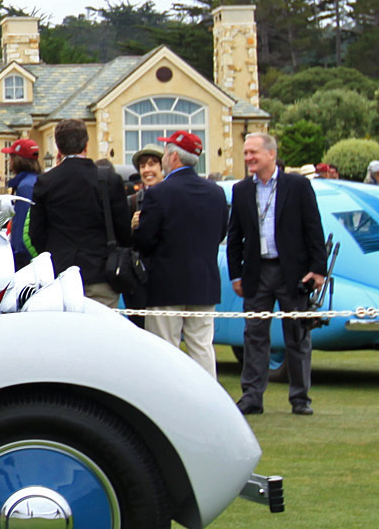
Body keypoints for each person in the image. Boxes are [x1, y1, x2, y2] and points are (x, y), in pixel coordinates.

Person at [228, 132, 328, 416]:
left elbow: (313, 228)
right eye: (246, 153)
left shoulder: (297, 186)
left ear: (271, 154)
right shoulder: (241, 190)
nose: (248, 158)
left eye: (253, 153)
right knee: (254, 336)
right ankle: (252, 397)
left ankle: (300, 398)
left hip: (292, 272)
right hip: (257, 273)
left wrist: (317, 269)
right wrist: (236, 275)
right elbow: (234, 237)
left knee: (297, 335)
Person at [131, 132, 229, 376]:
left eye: (165, 154)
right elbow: (220, 234)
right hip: (203, 281)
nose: (164, 157)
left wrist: (136, 228)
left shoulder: (160, 193)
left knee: (165, 348)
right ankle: (207, 402)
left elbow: (145, 241)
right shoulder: (216, 193)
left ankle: (167, 403)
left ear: (173, 157)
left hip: (166, 282)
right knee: (202, 347)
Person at [26, 118, 130, 309]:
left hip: (61, 272)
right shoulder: (108, 179)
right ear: (87, 145)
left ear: (58, 147)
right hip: (101, 270)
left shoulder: (46, 182)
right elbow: (122, 230)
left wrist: (53, 254)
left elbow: (35, 233)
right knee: (103, 334)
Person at [2, 138, 42, 269]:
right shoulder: (37, 181)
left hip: (25, 262)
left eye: (11, 157)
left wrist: (16, 256)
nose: (9, 161)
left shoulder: (25, 187)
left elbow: (21, 228)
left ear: (18, 160)